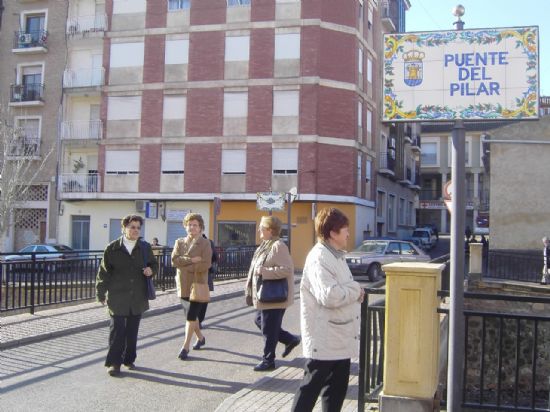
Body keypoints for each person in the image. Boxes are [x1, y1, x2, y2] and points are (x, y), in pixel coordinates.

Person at [292, 207, 365, 412]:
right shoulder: (319, 258)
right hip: (324, 339)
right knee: (310, 390)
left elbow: (342, 289)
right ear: (333, 233)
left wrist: (351, 289)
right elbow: (330, 295)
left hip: (339, 338)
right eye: (345, 230)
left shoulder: (336, 256)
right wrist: (355, 289)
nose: (349, 233)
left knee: (335, 393)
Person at [96, 214, 158, 377]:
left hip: (137, 296)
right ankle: (114, 363)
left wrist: (151, 270)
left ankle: (129, 359)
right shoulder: (112, 248)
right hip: (117, 296)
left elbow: (154, 264)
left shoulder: (144, 247)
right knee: (117, 330)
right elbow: (103, 272)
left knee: (132, 331)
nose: (135, 230)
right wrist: (100, 292)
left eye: (138, 227)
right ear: (124, 228)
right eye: (132, 227)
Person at [245, 215, 300, 372]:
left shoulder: (278, 246)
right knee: (259, 321)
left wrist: (264, 271)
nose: (258, 230)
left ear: (269, 230)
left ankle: (268, 360)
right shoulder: (265, 245)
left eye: (261, 227)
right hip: (265, 296)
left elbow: (287, 269)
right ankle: (290, 339)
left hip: (274, 296)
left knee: (269, 329)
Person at [171, 213, 212, 360]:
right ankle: (200, 338)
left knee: (191, 316)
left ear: (200, 227)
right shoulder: (179, 242)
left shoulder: (205, 243)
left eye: (195, 225)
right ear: (185, 226)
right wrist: (192, 260)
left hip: (197, 285)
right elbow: (174, 261)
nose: (192, 227)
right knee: (191, 317)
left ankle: (185, 347)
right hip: (183, 284)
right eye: (189, 224)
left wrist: (186, 266)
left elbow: (206, 264)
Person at [198, 233, 217, 328]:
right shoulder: (186, 241)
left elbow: (215, 257)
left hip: (204, 273)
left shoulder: (208, 242)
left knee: (202, 299)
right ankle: (197, 320)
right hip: (195, 274)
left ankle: (197, 320)